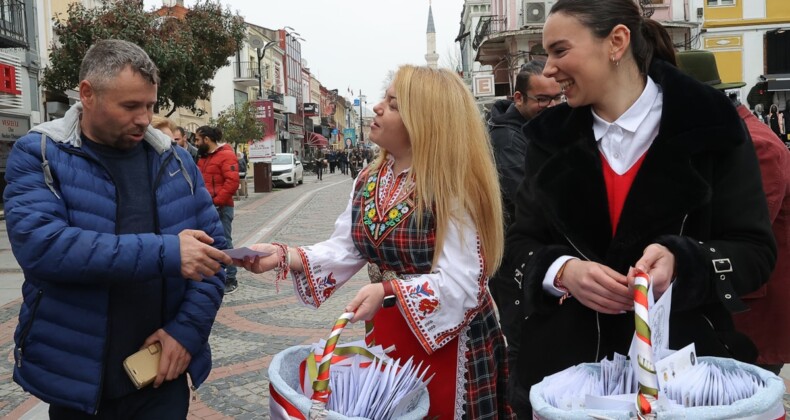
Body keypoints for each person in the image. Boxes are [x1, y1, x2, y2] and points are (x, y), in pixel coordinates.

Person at [500, 1, 776, 416]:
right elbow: (520, 243)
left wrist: (682, 261)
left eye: (560, 50)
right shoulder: (547, 138)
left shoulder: (710, 124)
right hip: (571, 379)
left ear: (616, 42)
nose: (550, 68)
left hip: (685, 381)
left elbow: (754, 250)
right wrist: (562, 272)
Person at [236, 65, 513, 419]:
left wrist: (388, 291)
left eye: (394, 104)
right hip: (389, 331)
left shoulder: (451, 186)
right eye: (385, 98)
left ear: (426, 121)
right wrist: (282, 255)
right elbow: (346, 247)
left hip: (451, 338)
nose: (379, 108)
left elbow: (464, 283)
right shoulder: (370, 178)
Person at [3, 39, 231, 418]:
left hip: (161, 377)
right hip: (78, 380)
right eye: (130, 106)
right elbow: (44, 246)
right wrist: (169, 252)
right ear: (88, 94)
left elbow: (214, 257)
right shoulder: (40, 153)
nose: (144, 118)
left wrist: (186, 334)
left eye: (150, 106)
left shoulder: (175, 162)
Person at [676, 50, 790, 376]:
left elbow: (744, 232)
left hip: (752, 309)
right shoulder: (730, 137)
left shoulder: (755, 144)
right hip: (735, 300)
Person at [487, 59, 562, 357]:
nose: (552, 105)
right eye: (542, 99)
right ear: (518, 98)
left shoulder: (542, 127)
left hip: (539, 253)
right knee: (525, 342)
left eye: (557, 97)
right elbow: (527, 196)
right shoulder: (506, 138)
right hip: (514, 258)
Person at [195, 125, 240, 294]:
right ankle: (214, 275)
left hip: (221, 207)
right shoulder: (204, 158)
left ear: (207, 139)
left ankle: (231, 277)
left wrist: (216, 201)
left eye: (198, 139)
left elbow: (232, 182)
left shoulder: (226, 155)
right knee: (208, 242)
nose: (196, 143)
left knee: (225, 242)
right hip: (207, 206)